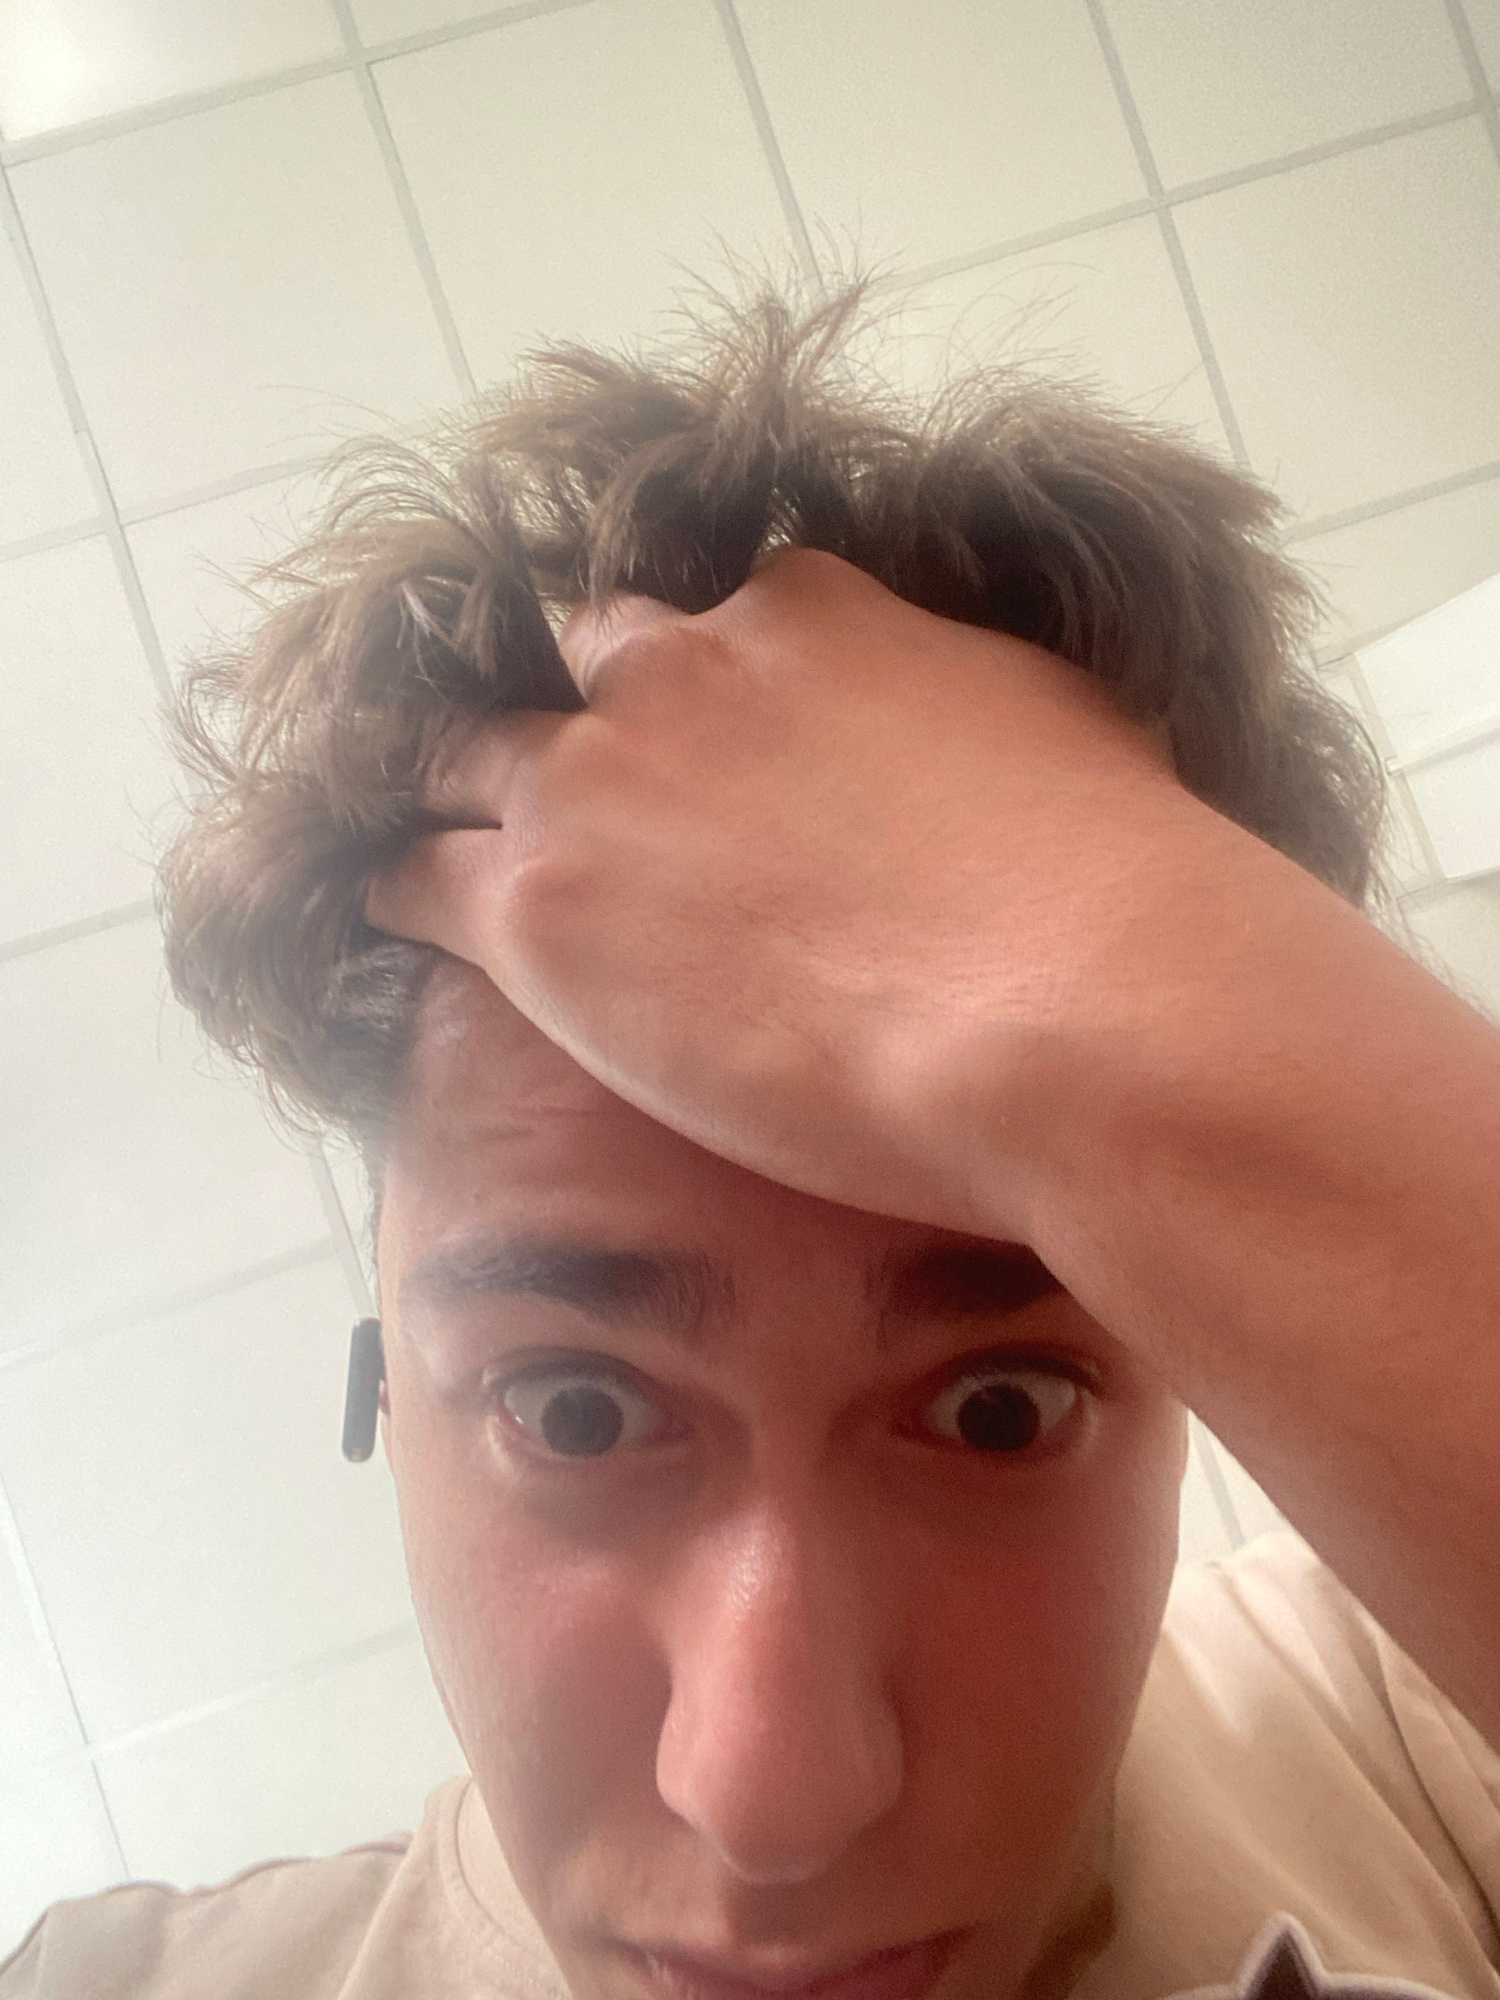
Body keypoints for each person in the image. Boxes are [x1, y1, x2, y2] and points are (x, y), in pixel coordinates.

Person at [8, 283, 1499, 2000]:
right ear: (385, 1403)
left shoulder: (1411, 1730)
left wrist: (1124, 970)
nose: (775, 1798)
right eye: (576, 1408)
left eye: (1001, 1408)